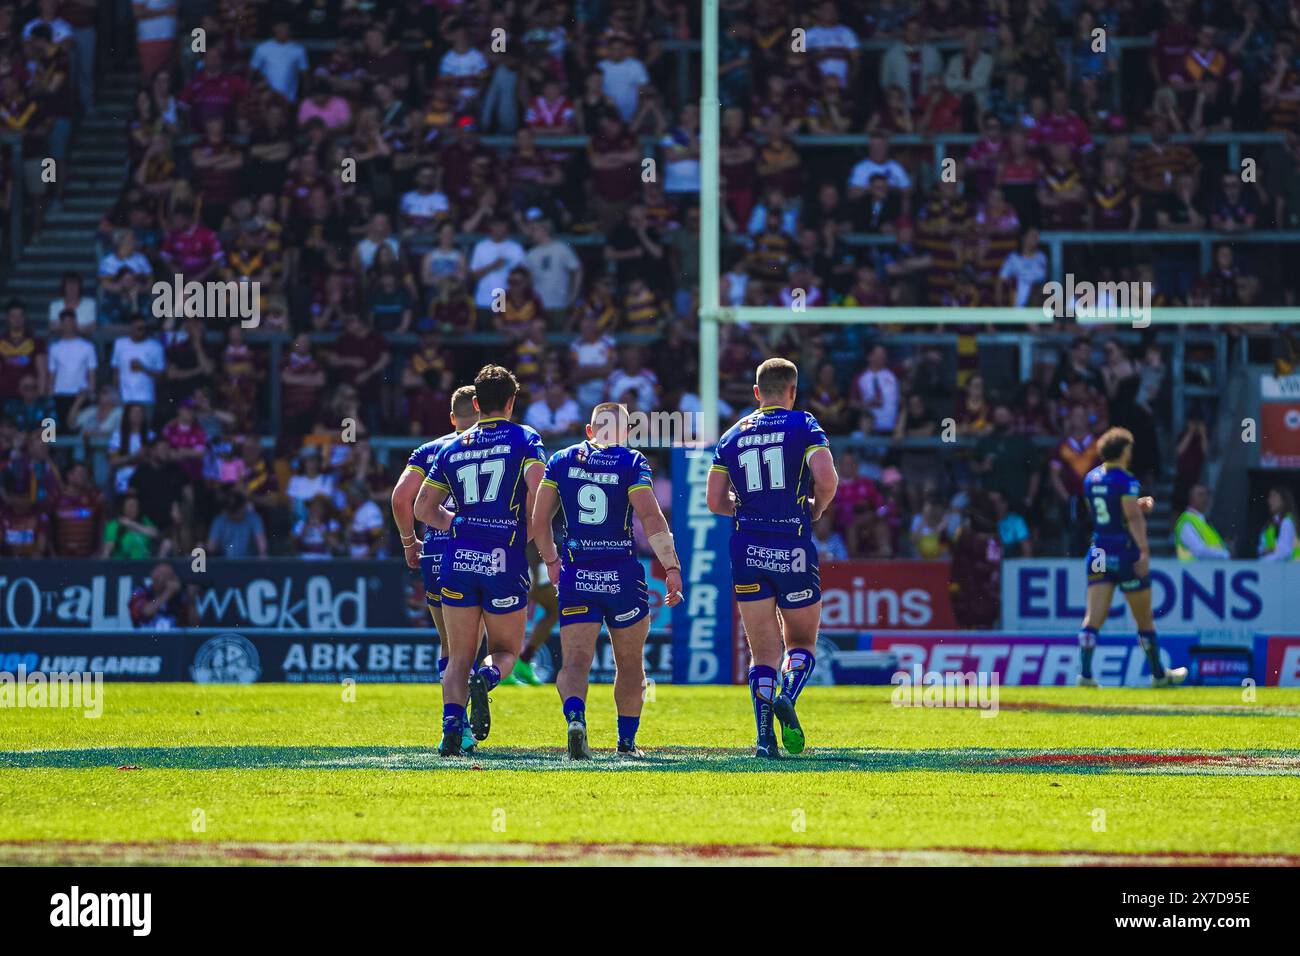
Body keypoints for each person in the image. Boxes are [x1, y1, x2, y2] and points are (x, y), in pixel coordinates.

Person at [530, 402, 684, 760]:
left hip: (577, 573)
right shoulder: (631, 462)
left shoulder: (562, 460)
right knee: (630, 664)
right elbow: (651, 517)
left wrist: (551, 561)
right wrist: (671, 567)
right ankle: (627, 743)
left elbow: (539, 520)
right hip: (621, 576)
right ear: (625, 433)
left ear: (589, 430)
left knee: (574, 662)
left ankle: (575, 718)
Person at [706, 358, 839, 758]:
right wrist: (815, 509)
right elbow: (828, 478)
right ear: (793, 392)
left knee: (762, 653)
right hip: (793, 546)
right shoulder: (804, 424)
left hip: (747, 549)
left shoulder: (731, 436)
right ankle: (789, 695)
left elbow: (714, 501)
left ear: (756, 393)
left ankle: (765, 739)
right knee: (800, 642)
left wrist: (745, 510)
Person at [414, 366, 545, 756]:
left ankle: (452, 728)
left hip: (458, 556)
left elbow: (423, 507)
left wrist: (459, 525)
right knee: (505, 651)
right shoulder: (525, 438)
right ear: (510, 402)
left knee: (457, 655)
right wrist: (524, 535)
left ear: (475, 403)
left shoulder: (453, 446)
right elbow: (540, 497)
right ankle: (485, 680)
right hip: (503, 555)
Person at [390, 385, 480, 753]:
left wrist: (410, 543)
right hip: (485, 548)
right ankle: (482, 685)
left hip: (439, 550)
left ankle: (454, 726)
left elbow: (400, 498)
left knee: (451, 645)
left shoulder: (432, 450)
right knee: (483, 645)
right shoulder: (503, 445)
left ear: (452, 417)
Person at [1078, 428, 1187, 689]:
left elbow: (1100, 513)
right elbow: (1132, 517)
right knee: (1144, 619)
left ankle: (1085, 674)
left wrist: (1134, 505)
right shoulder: (1126, 480)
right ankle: (1159, 675)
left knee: (1093, 618)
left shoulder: (1091, 478)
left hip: (1099, 550)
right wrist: (1144, 551)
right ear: (1124, 451)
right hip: (1124, 551)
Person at [1174, 484, 1230, 559]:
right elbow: (1198, 551)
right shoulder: (1186, 522)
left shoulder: (1203, 521)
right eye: (1200, 495)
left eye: (1207, 495)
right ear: (1190, 498)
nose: (1205, 498)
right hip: (1193, 569)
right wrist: (1225, 554)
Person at [1258, 486, 1299, 561]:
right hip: (1275, 567)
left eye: (1274, 496)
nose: (1270, 500)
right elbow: (1261, 548)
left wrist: (1264, 562)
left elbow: (1284, 551)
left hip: (1291, 568)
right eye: (1270, 497)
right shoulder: (1270, 525)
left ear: (1284, 500)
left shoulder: (1287, 522)